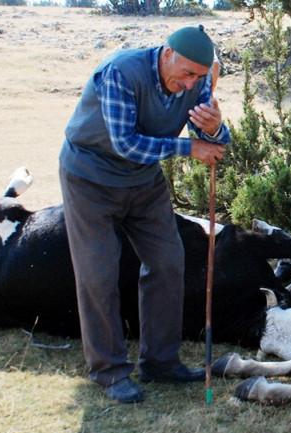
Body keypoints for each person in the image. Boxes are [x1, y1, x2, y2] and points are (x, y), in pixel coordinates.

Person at [59, 25, 230, 403]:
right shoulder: (121, 72)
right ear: (166, 53)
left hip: (143, 181)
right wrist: (189, 149)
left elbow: (216, 140)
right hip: (90, 177)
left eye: (199, 78)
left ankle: (160, 361)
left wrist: (216, 129)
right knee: (98, 272)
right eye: (186, 73)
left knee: (168, 261)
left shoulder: (197, 82)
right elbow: (125, 144)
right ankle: (110, 371)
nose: (190, 85)